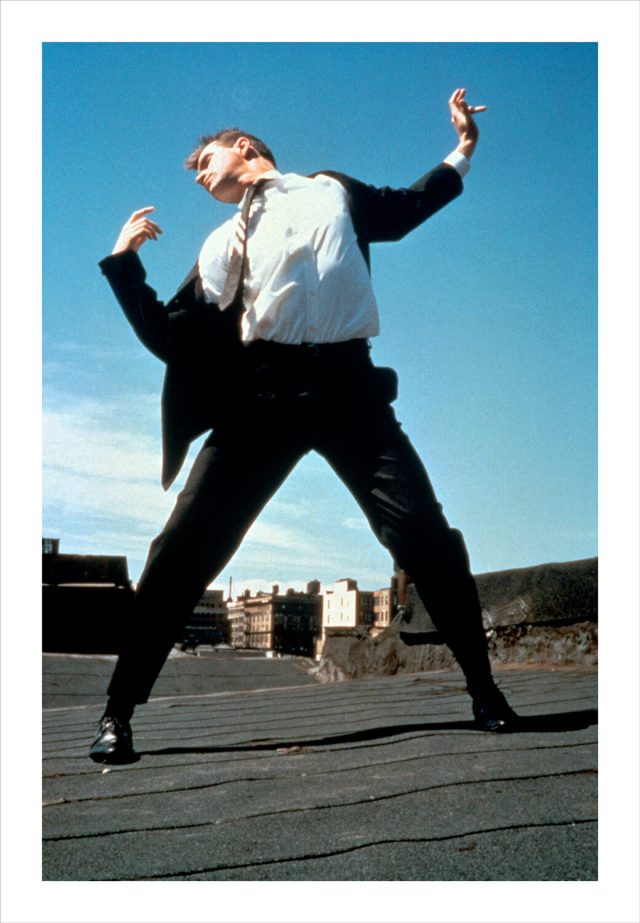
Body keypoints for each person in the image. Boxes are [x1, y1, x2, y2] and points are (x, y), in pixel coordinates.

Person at [90, 88, 518, 764]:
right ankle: (117, 713)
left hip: (350, 392)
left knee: (423, 532)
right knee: (184, 545)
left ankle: (486, 690)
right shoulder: (221, 244)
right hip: (261, 399)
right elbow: (173, 341)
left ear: (246, 149)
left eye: (206, 159)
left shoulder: (332, 192)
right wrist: (123, 261)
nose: (201, 176)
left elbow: (408, 209)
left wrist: (463, 148)